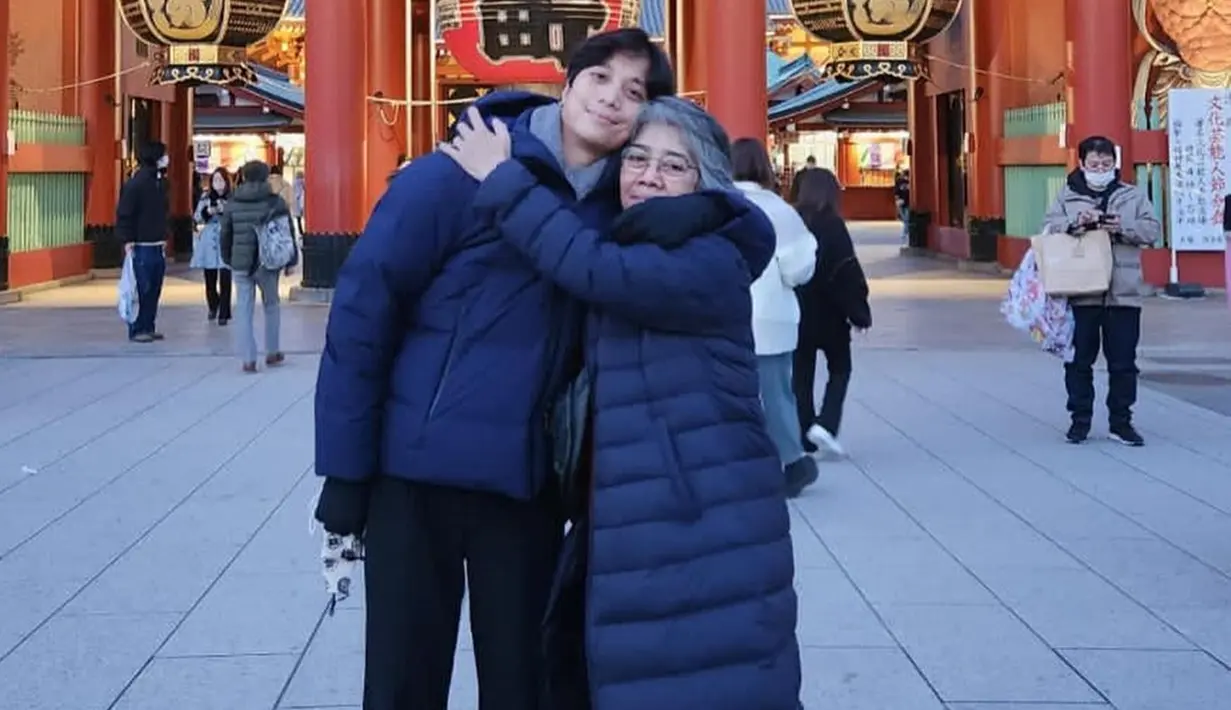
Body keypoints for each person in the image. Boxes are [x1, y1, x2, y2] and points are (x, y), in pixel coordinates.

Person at [312, 28, 675, 710]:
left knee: (525, 684)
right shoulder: (451, 173)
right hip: (414, 476)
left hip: (526, 485)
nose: (611, 99)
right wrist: (345, 470)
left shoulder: (618, 210)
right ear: (566, 83)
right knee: (402, 683)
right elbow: (363, 314)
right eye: (599, 78)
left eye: (634, 91)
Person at [445, 96, 802, 710]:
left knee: (709, 675)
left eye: (674, 165)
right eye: (637, 158)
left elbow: (590, 268)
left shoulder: (707, 256)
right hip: (641, 506)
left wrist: (504, 179)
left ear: (705, 181)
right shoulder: (637, 239)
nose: (649, 176)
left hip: (701, 513)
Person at [1042, 135, 1160, 446]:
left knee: (1124, 362)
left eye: (1106, 164)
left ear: (1114, 164)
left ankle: (1121, 422)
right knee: (1079, 360)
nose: (1100, 169)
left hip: (1124, 293)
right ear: (1081, 163)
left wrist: (1121, 226)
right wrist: (1075, 224)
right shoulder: (1066, 196)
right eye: (1094, 164)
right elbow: (1049, 228)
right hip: (1081, 291)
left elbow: (1152, 231)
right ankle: (1079, 421)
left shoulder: (1132, 195)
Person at [732, 137, 820, 496]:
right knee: (776, 394)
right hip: (769, 319)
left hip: (723, 317)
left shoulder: (714, 203)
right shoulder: (780, 211)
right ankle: (793, 460)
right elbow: (799, 270)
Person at [793, 167, 871, 458]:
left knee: (801, 374)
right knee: (839, 369)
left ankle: (804, 433)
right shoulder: (833, 226)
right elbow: (847, 272)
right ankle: (826, 422)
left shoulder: (792, 223)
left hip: (798, 311)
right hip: (831, 313)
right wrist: (859, 313)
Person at [219, 161, 288, 373]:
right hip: (266, 263)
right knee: (271, 305)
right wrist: (290, 261)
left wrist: (228, 258)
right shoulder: (275, 202)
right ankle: (272, 351)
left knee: (244, 309)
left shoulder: (233, 201)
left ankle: (248, 359)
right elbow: (286, 233)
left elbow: (225, 234)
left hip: (240, 262)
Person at [116, 141, 170, 343]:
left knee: (154, 288)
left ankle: (149, 324)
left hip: (157, 243)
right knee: (143, 287)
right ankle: (137, 327)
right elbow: (125, 213)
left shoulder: (160, 183)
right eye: (163, 155)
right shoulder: (136, 184)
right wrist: (127, 239)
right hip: (141, 244)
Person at [191, 167, 233, 325]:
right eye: (215, 180)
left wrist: (225, 211)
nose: (218, 183)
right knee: (209, 278)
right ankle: (213, 305)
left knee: (225, 277)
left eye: (221, 180)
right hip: (209, 240)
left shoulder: (232, 198)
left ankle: (224, 312)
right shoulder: (205, 197)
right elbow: (197, 217)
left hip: (226, 239)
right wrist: (208, 212)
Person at [893, 167, 910, 244]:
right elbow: (896, 191)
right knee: (904, 218)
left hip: (905, 202)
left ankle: (905, 233)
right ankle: (906, 231)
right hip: (903, 202)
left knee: (906, 219)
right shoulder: (900, 181)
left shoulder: (907, 182)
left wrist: (897, 199)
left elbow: (896, 192)